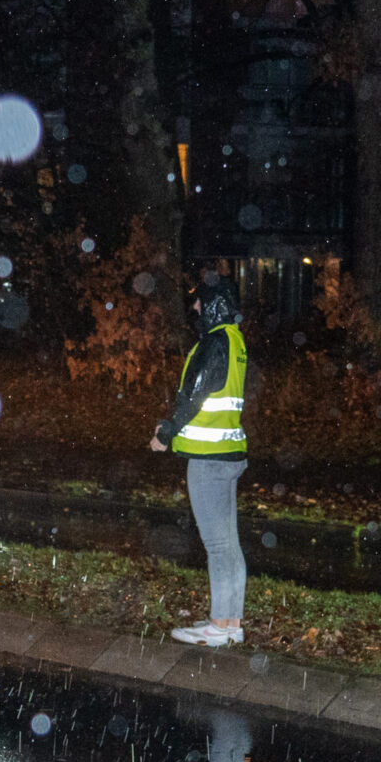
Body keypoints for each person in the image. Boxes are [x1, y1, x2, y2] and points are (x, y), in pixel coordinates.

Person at [150, 275, 249, 647]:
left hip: (208, 461)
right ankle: (230, 622)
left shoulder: (213, 343)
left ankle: (219, 629)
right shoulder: (235, 342)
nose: (194, 309)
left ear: (213, 305)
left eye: (199, 303)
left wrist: (165, 433)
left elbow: (192, 395)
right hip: (229, 455)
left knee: (218, 545)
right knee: (229, 544)